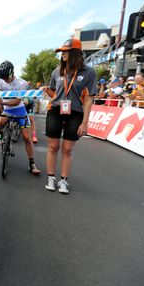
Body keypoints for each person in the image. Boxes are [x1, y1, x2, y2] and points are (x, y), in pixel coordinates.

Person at [43, 38, 97, 194]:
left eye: (65, 51)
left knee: (67, 149)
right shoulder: (56, 71)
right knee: (53, 146)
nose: (62, 54)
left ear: (74, 53)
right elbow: (55, 93)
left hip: (75, 114)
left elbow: (88, 98)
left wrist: (85, 123)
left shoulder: (89, 72)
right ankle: (51, 177)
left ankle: (63, 181)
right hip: (55, 111)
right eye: (61, 52)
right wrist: (48, 92)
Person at [0, 61, 42, 175]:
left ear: (12, 74)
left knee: (26, 136)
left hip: (19, 110)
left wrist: (3, 104)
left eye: (6, 78)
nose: (4, 80)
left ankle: (31, 163)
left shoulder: (22, 83)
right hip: (6, 109)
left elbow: (17, 101)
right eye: (2, 78)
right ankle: (0, 134)